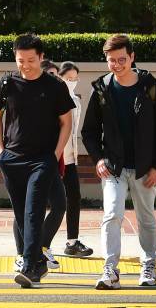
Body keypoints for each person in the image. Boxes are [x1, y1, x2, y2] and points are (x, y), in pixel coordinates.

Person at [82, 34, 156, 290]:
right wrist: (98, 159)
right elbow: (89, 131)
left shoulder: (151, 87)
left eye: (122, 59)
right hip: (114, 168)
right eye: (111, 60)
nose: (116, 64)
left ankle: (148, 265)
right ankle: (110, 270)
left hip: (145, 168)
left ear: (132, 57)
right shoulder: (101, 89)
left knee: (146, 218)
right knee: (112, 214)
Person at [0, 33, 75, 288]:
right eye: (20, 60)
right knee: (20, 213)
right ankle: (38, 261)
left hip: (42, 159)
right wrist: (0, 151)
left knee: (34, 210)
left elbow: (66, 122)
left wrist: (56, 154)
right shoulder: (6, 84)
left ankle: (29, 267)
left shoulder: (55, 86)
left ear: (40, 57)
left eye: (30, 60)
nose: (25, 65)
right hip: (12, 159)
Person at [59, 62, 94, 257]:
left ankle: (72, 242)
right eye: (68, 78)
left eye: (75, 79)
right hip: (55, 158)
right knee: (53, 203)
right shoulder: (54, 99)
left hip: (70, 158)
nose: (72, 82)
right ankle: (38, 244)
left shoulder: (76, 100)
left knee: (74, 198)